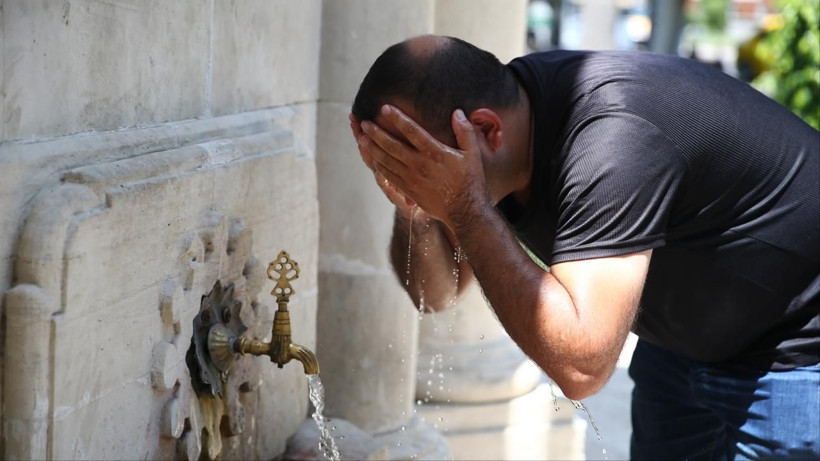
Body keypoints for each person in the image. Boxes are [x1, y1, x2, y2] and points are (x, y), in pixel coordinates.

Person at [349, 35, 819, 459]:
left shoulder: (612, 140)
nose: (415, 178)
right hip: (685, 343)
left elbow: (582, 367)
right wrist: (415, 210)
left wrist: (464, 207)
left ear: (487, 131)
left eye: (419, 163)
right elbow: (435, 295)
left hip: (795, 349)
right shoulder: (499, 138)